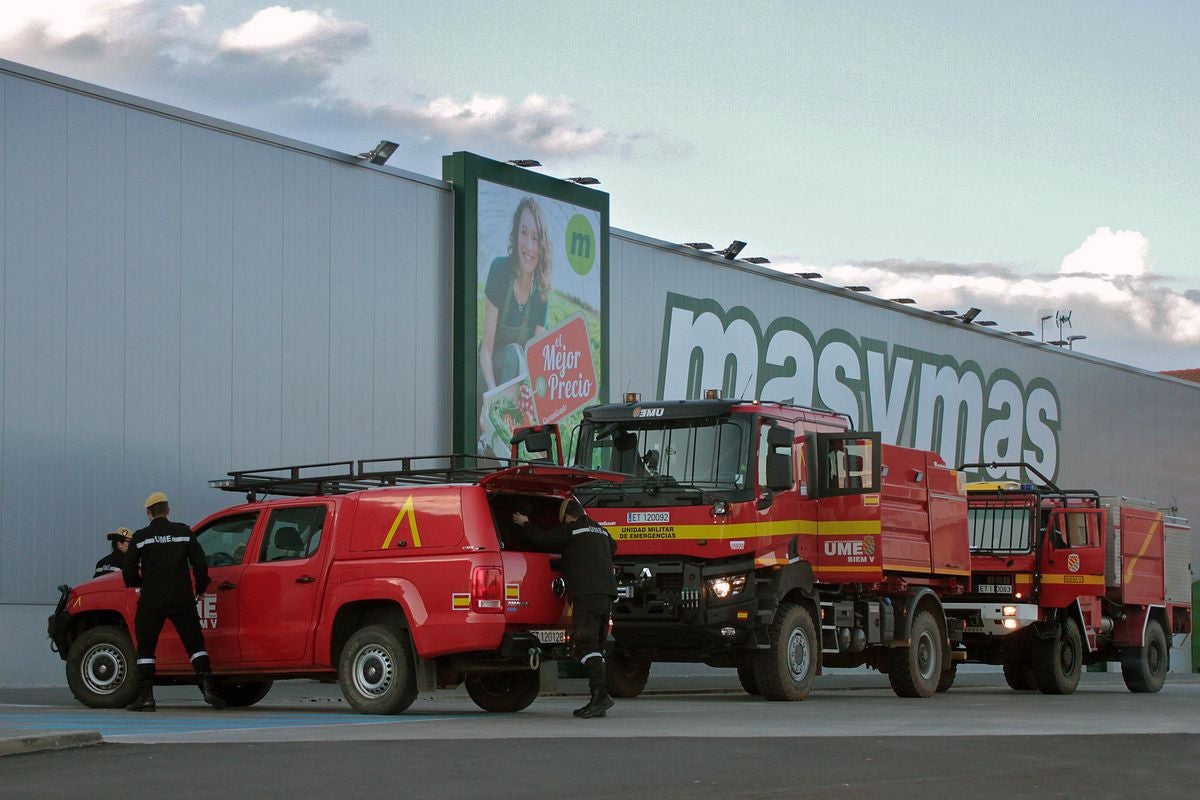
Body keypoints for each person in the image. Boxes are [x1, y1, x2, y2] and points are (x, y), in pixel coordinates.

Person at [512, 497, 617, 718]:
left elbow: (543, 540)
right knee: (597, 645)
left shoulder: (572, 530)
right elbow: (613, 547)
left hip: (586, 595)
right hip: (605, 594)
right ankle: (598, 698)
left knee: (585, 645)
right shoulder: (601, 531)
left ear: (568, 517)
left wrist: (524, 523)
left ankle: (601, 697)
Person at [122, 491, 224, 712]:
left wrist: (141, 582)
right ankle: (208, 690)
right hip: (181, 597)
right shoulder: (183, 532)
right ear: (168, 510)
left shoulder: (141, 537)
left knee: (146, 647)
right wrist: (201, 586)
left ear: (149, 512)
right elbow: (199, 563)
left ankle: (146, 698)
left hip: (152, 598)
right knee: (194, 643)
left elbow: (128, 572)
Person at [479, 196, 552, 393]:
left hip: (517, 385)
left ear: (542, 245)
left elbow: (535, 361)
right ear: (516, 235)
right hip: (487, 377)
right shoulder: (500, 270)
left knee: (519, 356)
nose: (528, 245)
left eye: (535, 238)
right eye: (524, 233)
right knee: (513, 354)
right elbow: (486, 350)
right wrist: (493, 398)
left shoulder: (541, 293)